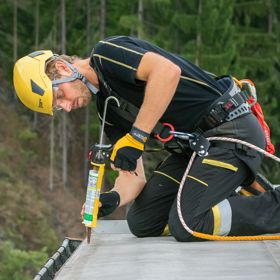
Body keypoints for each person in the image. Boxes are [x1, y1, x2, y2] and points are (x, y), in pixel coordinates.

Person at [13, 36, 280, 241]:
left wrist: (137, 136)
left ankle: (273, 205)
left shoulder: (106, 54)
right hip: (198, 151)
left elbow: (167, 72)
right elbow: (134, 175)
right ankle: (226, 189)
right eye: (59, 108)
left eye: (59, 97)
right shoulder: (108, 108)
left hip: (230, 130)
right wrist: (112, 198)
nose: (67, 107)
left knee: (187, 223)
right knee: (142, 222)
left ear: (61, 68)